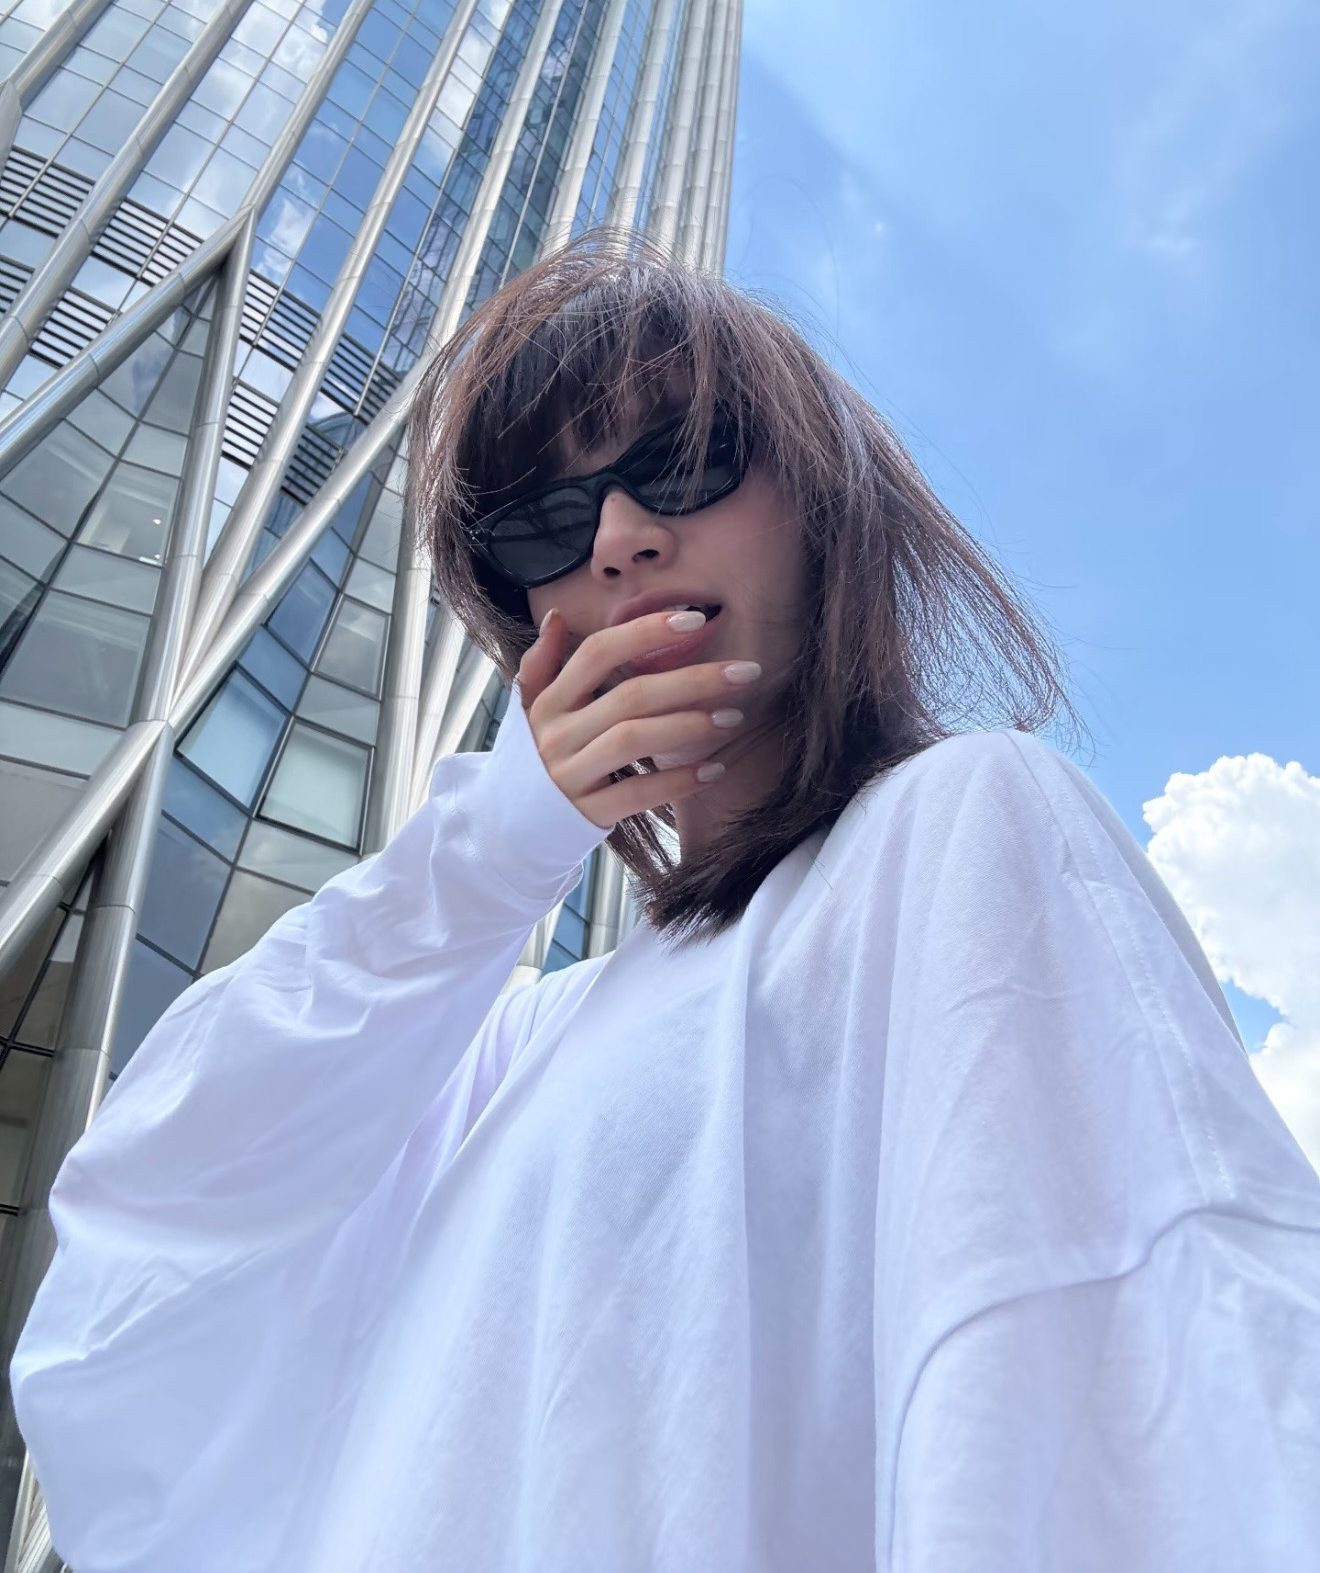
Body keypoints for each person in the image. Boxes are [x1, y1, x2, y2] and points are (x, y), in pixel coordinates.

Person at [10, 234, 1320, 1573]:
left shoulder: (960, 826)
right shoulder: (517, 1041)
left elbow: (1128, 1379)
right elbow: (137, 1278)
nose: (620, 539)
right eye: (544, 523)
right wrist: (497, 845)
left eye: (686, 460)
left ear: (819, 502)